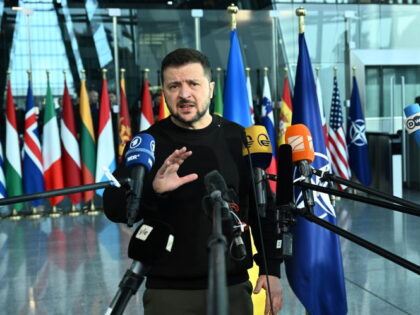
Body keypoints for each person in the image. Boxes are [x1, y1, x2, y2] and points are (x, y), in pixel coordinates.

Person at [104, 48, 283, 314]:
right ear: (163, 92)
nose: (184, 94)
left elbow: (263, 211)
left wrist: (271, 270)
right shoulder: (148, 143)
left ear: (210, 89)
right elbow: (114, 208)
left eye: (193, 84)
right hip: (168, 291)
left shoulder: (239, 139)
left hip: (232, 286)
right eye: (174, 85)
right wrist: (153, 191)